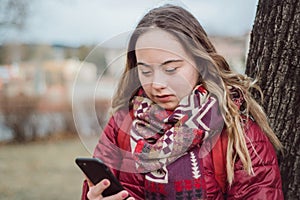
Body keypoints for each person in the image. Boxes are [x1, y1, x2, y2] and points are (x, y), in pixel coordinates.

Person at [80, 4, 283, 200]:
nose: (157, 83)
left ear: (200, 62)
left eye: (171, 69)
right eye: (145, 70)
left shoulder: (238, 134)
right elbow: (94, 191)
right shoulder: (120, 126)